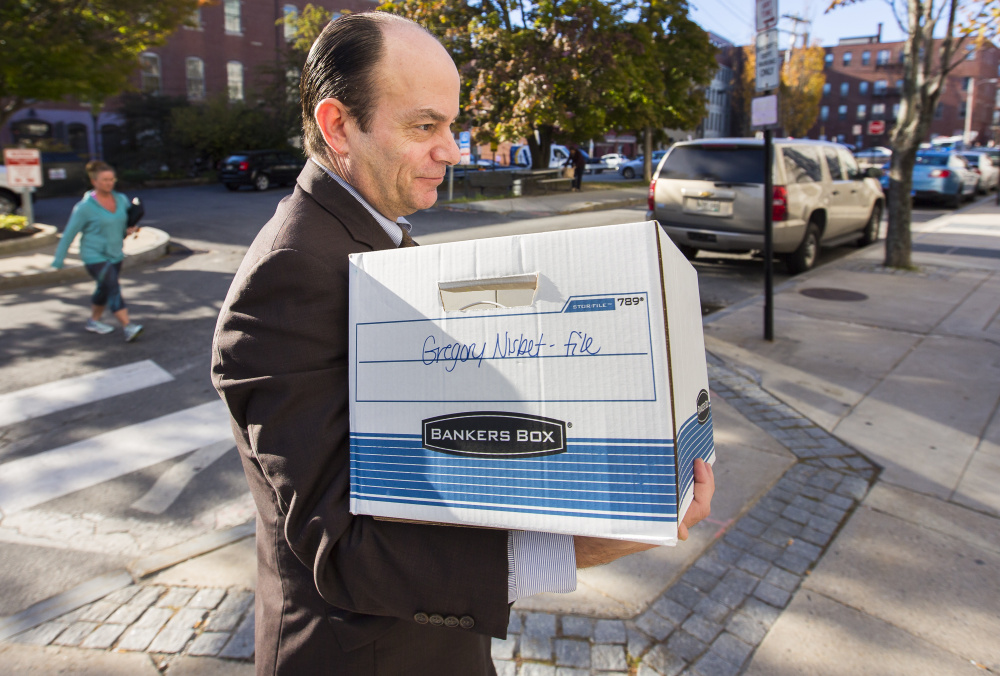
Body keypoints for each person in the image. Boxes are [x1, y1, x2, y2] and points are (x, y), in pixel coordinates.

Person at [211, 12, 714, 676]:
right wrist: (588, 543)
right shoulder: (290, 274)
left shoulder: (379, 234)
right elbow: (348, 548)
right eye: (425, 126)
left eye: (451, 125)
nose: (452, 150)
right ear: (338, 126)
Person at [51, 161, 143, 342]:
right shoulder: (84, 208)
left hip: (115, 253)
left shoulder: (121, 199)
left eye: (111, 179)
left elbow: (123, 225)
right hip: (94, 255)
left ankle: (93, 321)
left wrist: (129, 229)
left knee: (104, 289)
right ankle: (128, 326)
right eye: (105, 180)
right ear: (94, 181)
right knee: (113, 287)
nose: (109, 183)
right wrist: (58, 260)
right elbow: (69, 234)